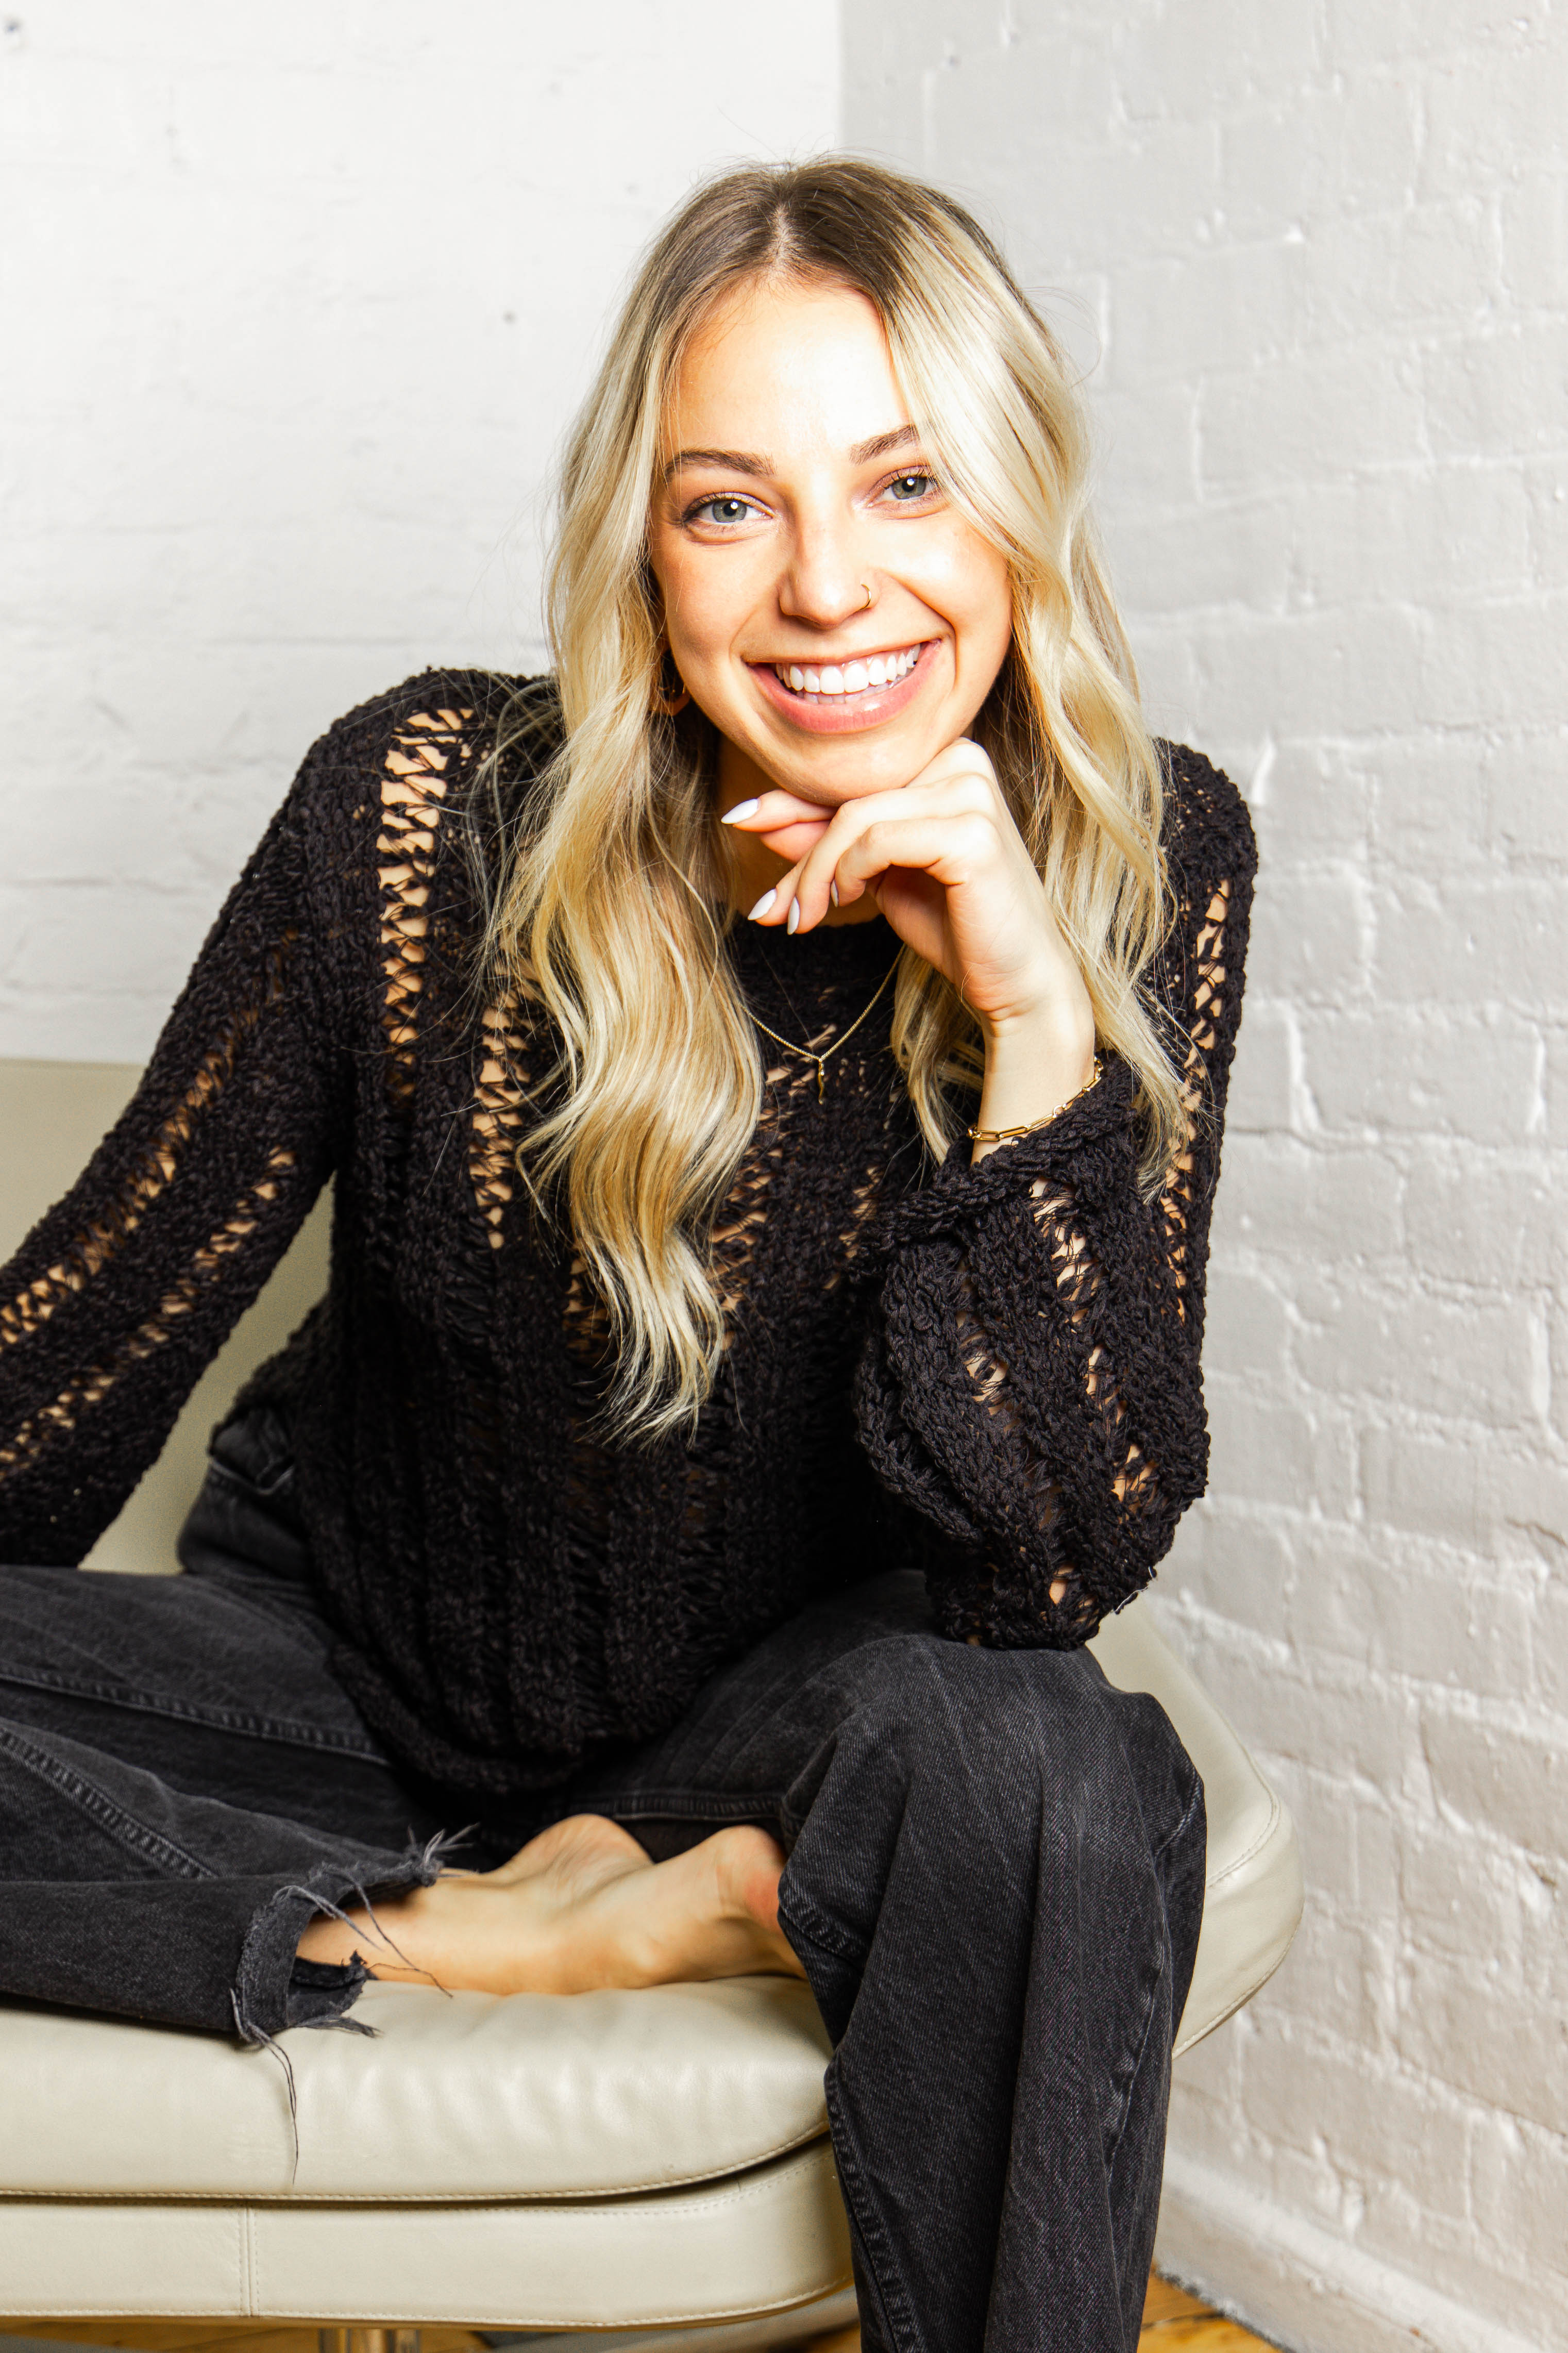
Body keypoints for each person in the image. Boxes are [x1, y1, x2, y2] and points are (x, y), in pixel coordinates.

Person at [0, 159, 1256, 2353]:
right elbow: (86, 1343)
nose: (825, 584)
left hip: (777, 1738)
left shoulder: (1145, 855)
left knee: (1047, 1767)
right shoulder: (420, 811)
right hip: (341, 1681)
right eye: (729, 505)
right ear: (644, 550)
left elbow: (1046, 1567)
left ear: (1015, 510)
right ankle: (451, 1929)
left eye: (906, 481)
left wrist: (1035, 1025)